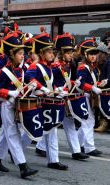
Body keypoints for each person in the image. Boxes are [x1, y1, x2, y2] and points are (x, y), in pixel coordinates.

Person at [0, 31, 38, 178]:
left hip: (17, 105)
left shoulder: (23, 69)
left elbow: (24, 85)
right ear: (11, 54)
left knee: (7, 134)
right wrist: (9, 93)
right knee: (13, 134)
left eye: (23, 52)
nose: (22, 55)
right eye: (19, 53)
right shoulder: (4, 71)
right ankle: (23, 167)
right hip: (6, 105)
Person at [26, 27, 68, 170]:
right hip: (36, 103)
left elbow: (50, 85)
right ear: (42, 53)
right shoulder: (35, 66)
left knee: (52, 130)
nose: (52, 54)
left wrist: (58, 90)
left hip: (47, 102)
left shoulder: (49, 68)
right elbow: (29, 79)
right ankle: (15, 151)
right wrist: (41, 88)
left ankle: (53, 160)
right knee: (32, 131)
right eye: (49, 52)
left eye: (52, 52)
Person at [51, 32, 90, 160]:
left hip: (65, 98)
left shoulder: (68, 65)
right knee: (49, 127)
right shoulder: (55, 66)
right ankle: (38, 148)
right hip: (53, 98)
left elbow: (67, 81)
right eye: (68, 53)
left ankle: (76, 151)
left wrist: (74, 83)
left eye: (71, 52)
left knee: (70, 124)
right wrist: (58, 89)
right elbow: (49, 83)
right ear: (62, 53)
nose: (71, 55)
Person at [76, 38, 103, 156]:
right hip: (84, 96)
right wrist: (92, 88)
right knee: (89, 121)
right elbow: (80, 83)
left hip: (90, 96)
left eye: (95, 54)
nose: (93, 56)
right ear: (86, 54)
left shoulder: (93, 67)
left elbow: (92, 82)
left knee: (87, 121)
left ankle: (79, 144)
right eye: (91, 54)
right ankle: (89, 147)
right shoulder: (83, 67)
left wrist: (100, 83)